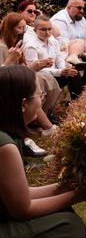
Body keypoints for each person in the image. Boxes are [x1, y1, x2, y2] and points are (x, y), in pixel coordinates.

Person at [0, 65, 86, 238]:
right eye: (39, 96)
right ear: (22, 104)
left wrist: (63, 186)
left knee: (64, 218)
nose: (41, 102)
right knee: (65, 226)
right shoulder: (5, 146)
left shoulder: (7, 138)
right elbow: (22, 209)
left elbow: (18, 194)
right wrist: (78, 195)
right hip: (3, 230)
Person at [0, 14, 59, 156]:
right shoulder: (1, 47)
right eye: (19, 27)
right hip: (5, 89)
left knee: (41, 80)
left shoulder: (16, 45)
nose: (22, 31)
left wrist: (35, 65)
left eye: (24, 27)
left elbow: (23, 69)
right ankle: (45, 128)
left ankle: (34, 128)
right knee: (29, 93)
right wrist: (9, 60)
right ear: (9, 28)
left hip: (13, 85)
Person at [23, 15, 83, 100]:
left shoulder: (52, 41)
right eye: (43, 29)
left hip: (55, 74)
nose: (47, 32)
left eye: (49, 29)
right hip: (42, 78)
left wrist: (64, 70)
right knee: (70, 74)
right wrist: (60, 72)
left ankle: (76, 103)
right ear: (35, 30)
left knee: (74, 74)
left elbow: (59, 58)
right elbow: (35, 70)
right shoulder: (31, 46)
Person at [50, 0, 86, 69]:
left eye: (83, 8)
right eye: (79, 8)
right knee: (80, 42)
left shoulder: (82, 20)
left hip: (79, 54)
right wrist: (83, 55)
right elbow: (64, 45)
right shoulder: (59, 19)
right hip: (62, 56)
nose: (82, 11)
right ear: (69, 8)